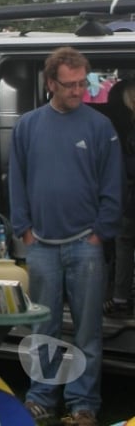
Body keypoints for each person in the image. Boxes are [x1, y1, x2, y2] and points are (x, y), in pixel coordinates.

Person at [9, 46, 123, 426]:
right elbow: (18, 181)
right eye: (70, 85)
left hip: (85, 245)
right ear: (50, 83)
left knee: (88, 330)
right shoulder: (28, 125)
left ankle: (83, 405)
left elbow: (113, 185)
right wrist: (23, 229)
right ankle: (42, 398)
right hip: (41, 245)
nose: (78, 91)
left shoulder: (99, 126)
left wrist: (100, 234)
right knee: (44, 327)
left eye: (82, 84)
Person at [104, 79, 135, 317]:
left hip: (125, 194)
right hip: (126, 194)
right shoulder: (119, 123)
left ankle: (119, 297)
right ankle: (120, 296)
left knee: (122, 242)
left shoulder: (113, 122)